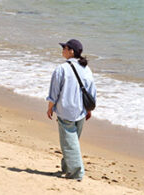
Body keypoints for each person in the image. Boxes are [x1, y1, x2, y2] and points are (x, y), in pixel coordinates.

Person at [46, 38, 96, 182]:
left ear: (71, 51)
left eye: (64, 48)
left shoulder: (61, 69)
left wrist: (50, 108)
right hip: (81, 110)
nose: (62, 50)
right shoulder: (86, 69)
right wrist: (89, 109)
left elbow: (54, 92)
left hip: (66, 110)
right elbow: (92, 91)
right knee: (72, 141)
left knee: (69, 142)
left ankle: (76, 172)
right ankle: (67, 167)